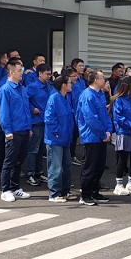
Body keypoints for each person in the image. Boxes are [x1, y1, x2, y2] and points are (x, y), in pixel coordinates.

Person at [75, 69, 113, 206]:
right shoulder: (87, 95)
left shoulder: (100, 94)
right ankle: (85, 194)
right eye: (102, 78)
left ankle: (94, 191)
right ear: (95, 80)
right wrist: (103, 134)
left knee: (99, 166)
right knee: (90, 166)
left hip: (102, 135)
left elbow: (105, 114)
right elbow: (90, 119)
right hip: (92, 136)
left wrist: (109, 130)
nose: (105, 80)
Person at [0, 58, 32, 202]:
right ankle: (5, 190)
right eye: (19, 70)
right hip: (14, 131)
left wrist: (29, 127)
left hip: (24, 129)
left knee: (19, 161)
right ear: (11, 72)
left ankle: (15, 187)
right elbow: (3, 112)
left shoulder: (22, 88)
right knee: (9, 161)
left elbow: (26, 109)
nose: (22, 73)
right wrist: (7, 130)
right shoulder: (5, 90)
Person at [44, 74, 75, 202]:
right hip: (55, 139)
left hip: (65, 138)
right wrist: (58, 133)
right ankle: (54, 193)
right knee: (56, 167)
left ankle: (65, 191)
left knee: (67, 165)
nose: (71, 84)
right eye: (69, 82)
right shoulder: (54, 98)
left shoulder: (66, 97)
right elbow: (49, 119)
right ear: (63, 85)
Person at [109, 76, 131, 196]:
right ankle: (119, 184)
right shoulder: (118, 100)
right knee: (122, 159)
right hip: (124, 132)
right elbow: (119, 118)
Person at [24, 63, 52, 186]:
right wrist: (32, 109)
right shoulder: (33, 87)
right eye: (47, 74)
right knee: (33, 149)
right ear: (40, 73)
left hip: (45, 121)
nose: (49, 76)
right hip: (36, 122)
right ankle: (30, 173)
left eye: (50, 74)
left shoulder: (49, 86)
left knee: (41, 149)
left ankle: (39, 172)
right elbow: (24, 100)